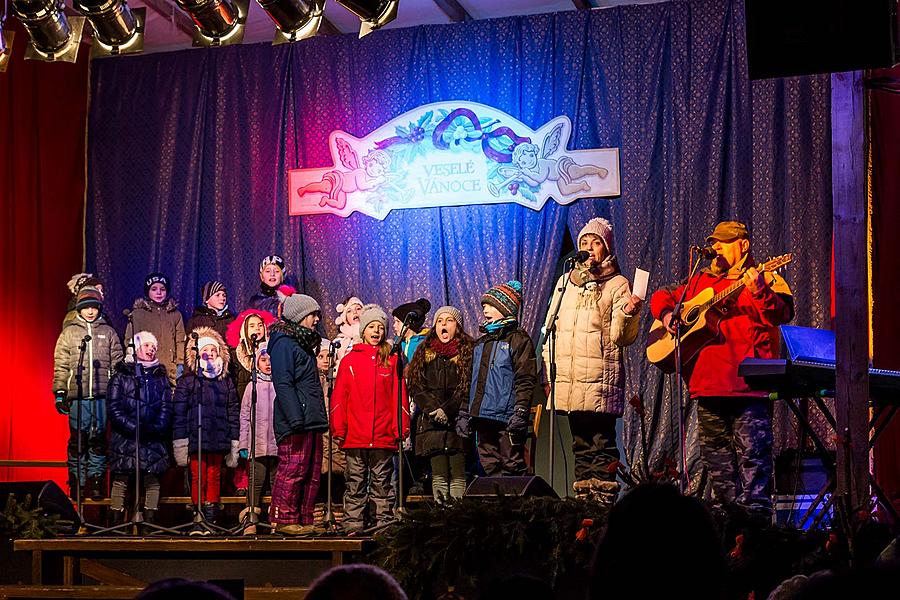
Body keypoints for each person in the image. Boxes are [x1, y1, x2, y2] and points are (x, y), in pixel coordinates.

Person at [649, 220, 793, 518]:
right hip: (708, 386)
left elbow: (782, 314)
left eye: (723, 242)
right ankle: (728, 540)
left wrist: (760, 290)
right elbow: (662, 296)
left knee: (755, 469)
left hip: (748, 388)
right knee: (719, 476)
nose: (715, 247)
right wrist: (666, 315)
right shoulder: (698, 281)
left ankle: (756, 541)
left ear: (743, 245)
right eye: (714, 242)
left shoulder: (767, 277)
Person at [540, 217, 642, 506]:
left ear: (606, 248)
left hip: (600, 378)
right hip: (570, 382)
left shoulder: (617, 284)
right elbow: (550, 330)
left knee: (601, 444)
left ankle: (603, 508)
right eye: (584, 242)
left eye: (595, 243)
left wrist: (629, 313)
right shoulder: (565, 282)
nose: (588, 248)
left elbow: (622, 337)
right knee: (580, 445)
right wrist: (549, 373)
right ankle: (584, 508)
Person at [331, 304, 410, 534]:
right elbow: (339, 399)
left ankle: (383, 524)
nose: (376, 331)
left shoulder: (392, 360)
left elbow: (400, 397)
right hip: (355, 437)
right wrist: (339, 428)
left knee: (382, 484)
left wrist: (401, 427)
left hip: (383, 436)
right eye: (371, 326)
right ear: (363, 330)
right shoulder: (350, 361)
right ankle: (354, 524)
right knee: (355, 484)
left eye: (380, 327)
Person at [267, 286, 329, 535]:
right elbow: (283, 383)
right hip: (295, 420)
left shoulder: (302, 344)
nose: (317, 320)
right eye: (313, 314)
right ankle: (284, 519)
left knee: (312, 472)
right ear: (300, 315)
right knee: (293, 469)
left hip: (310, 419)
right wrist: (295, 417)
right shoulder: (283, 344)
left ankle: (304, 519)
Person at [53, 286, 124, 498]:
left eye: (94, 307)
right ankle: (76, 480)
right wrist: (60, 392)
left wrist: (115, 392)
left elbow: (117, 363)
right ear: (79, 308)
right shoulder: (69, 332)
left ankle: (95, 480)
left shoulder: (108, 332)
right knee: (78, 440)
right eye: (86, 307)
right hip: (78, 396)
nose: (91, 311)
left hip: (101, 396)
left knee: (99, 440)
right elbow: (61, 364)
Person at [465, 280, 536, 477]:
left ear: (505, 309)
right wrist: (466, 412)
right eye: (484, 306)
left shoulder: (518, 340)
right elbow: (470, 381)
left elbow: (525, 378)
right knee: (489, 465)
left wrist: (521, 411)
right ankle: (494, 504)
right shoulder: (480, 343)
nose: (485, 309)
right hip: (483, 416)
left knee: (511, 464)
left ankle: (513, 505)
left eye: (491, 305)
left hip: (506, 417)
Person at [173, 327, 239, 532]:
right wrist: (180, 440)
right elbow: (180, 413)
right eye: (205, 351)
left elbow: (232, 410)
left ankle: (211, 518)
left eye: (213, 351)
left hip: (218, 435)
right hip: (195, 436)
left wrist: (234, 439)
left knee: (214, 475)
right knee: (197, 475)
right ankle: (198, 516)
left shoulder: (225, 381)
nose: (210, 355)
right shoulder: (189, 381)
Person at [407, 306, 473, 503]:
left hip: (457, 423)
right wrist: (433, 409)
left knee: (458, 474)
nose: (444, 324)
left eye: (449, 320)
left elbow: (467, 386)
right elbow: (416, 385)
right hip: (432, 423)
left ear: (458, 327)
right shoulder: (423, 353)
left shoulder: (467, 352)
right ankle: (442, 514)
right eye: (439, 321)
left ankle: (457, 516)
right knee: (439, 475)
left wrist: (447, 409)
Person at [107, 331, 173, 526]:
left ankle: (150, 522)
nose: (151, 350)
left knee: (152, 479)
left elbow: (166, 407)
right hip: (126, 437)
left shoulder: (160, 378)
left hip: (152, 436)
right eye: (146, 346)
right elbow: (114, 407)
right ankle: (117, 523)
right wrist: (133, 427)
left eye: (153, 347)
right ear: (135, 349)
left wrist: (155, 427)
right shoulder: (121, 376)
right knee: (122, 479)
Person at [237, 342, 277, 534]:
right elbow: (245, 416)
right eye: (263, 360)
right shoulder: (251, 387)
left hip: (278, 446)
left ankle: (276, 521)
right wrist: (243, 443)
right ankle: (250, 520)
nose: (268, 363)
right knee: (256, 482)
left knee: (278, 483)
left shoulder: (281, 385)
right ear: (257, 363)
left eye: (271, 359)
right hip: (257, 445)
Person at [124, 272, 186, 387]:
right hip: (145, 370)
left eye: (162, 289)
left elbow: (180, 341)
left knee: (168, 402)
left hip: (169, 369)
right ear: (148, 291)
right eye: (154, 289)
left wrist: (180, 363)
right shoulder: (138, 314)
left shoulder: (175, 314)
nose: (159, 292)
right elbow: (130, 341)